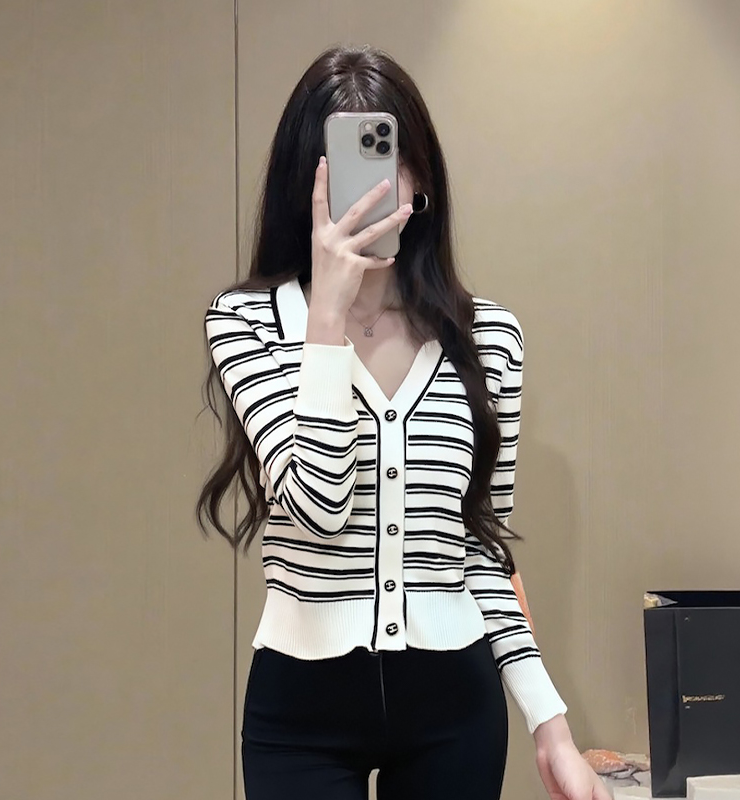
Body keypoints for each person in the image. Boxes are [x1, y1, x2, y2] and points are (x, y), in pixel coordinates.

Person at [196, 44, 611, 800]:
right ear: (304, 183)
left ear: (420, 179)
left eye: (387, 158)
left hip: (454, 704)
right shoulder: (249, 322)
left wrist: (551, 728)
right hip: (300, 709)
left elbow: (481, 548)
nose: (374, 189)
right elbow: (320, 506)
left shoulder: (489, 338)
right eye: (344, 167)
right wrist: (327, 315)